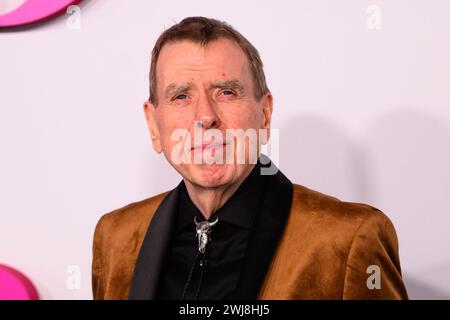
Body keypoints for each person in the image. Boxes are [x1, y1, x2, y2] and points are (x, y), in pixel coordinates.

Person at [91, 16, 408, 300]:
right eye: (181, 96)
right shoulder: (114, 237)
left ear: (265, 115)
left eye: (226, 92)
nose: (205, 117)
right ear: (153, 125)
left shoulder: (350, 239)